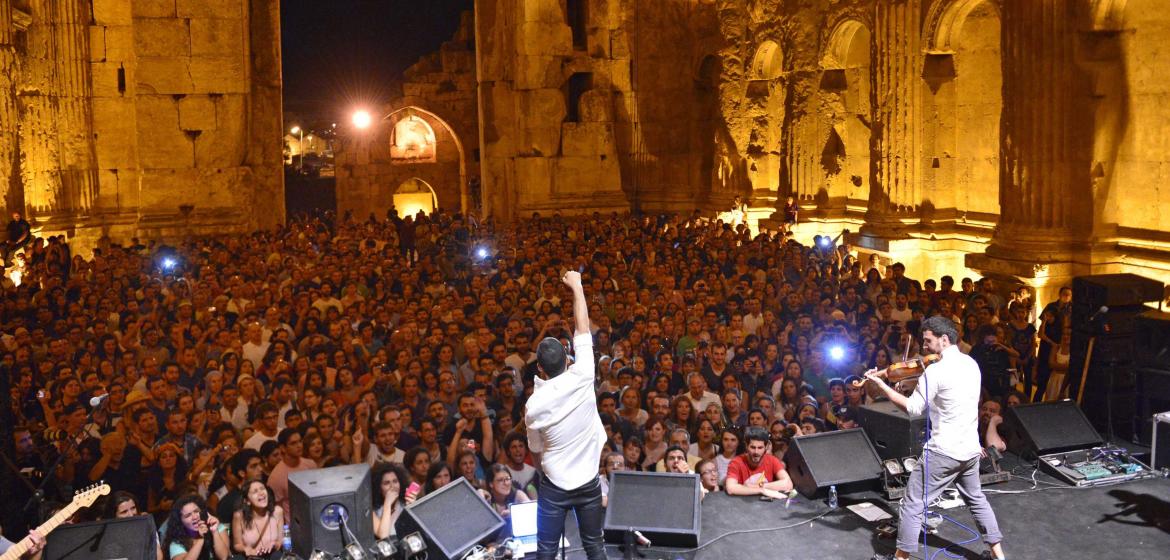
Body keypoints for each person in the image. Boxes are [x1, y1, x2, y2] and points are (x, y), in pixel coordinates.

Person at [861, 316, 1005, 560]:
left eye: (928, 341)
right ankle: (998, 556)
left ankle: (900, 558)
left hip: (943, 452)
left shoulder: (936, 371)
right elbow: (949, 396)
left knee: (912, 502)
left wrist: (881, 384)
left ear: (944, 339)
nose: (924, 347)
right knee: (977, 500)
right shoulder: (971, 364)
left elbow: (914, 408)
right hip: (970, 451)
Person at [524, 270, 606, 560]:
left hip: (554, 487)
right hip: (588, 482)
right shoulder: (583, 374)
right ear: (567, 359)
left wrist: (546, 471)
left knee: (546, 550)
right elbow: (582, 328)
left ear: (540, 370)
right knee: (594, 544)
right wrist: (577, 287)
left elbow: (535, 452)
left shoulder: (534, 405)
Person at [724, 426, 793, 499]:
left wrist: (759, 486)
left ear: (766, 447)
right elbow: (731, 488)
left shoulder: (772, 460)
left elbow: (788, 484)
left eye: (760, 448)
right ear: (746, 446)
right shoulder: (736, 462)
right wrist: (761, 490)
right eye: (753, 447)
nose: (756, 452)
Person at [162, 495, 230, 560]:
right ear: (180, 522)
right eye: (188, 515)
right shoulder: (177, 543)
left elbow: (223, 557)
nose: (195, 517)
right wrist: (200, 539)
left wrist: (214, 531)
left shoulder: (217, 527)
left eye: (196, 511)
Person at [230, 480, 283, 559]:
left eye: (262, 488)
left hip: (272, 556)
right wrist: (246, 549)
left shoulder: (277, 511)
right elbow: (237, 545)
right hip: (252, 557)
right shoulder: (239, 516)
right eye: (255, 492)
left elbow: (281, 541)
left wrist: (274, 544)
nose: (261, 493)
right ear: (247, 501)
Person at [372, 463, 410, 540]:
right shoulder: (371, 511)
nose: (392, 486)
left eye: (395, 481)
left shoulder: (406, 503)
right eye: (386, 483)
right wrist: (387, 504)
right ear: (378, 488)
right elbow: (383, 536)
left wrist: (412, 507)